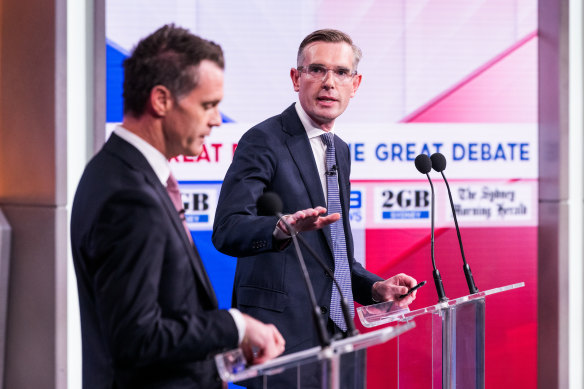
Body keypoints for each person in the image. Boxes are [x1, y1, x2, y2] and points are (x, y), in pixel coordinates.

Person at [70, 24, 285, 389]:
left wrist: (220, 353)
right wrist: (235, 326)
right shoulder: (129, 196)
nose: (216, 120)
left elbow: (160, 318)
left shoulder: (113, 170)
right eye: (208, 105)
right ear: (161, 100)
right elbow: (136, 338)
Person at [212, 29, 418, 388]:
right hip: (282, 342)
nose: (329, 83)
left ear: (355, 84)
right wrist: (280, 229)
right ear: (296, 78)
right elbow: (227, 228)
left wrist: (376, 288)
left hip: (340, 340)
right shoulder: (264, 140)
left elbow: (334, 257)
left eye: (341, 73)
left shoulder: (340, 150)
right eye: (317, 70)